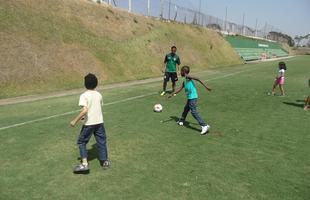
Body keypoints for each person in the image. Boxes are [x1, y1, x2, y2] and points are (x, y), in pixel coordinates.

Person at [70, 73, 109, 173]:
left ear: (85, 84)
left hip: (89, 124)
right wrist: (84, 117)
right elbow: (96, 107)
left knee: (81, 142)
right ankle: (105, 161)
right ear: (96, 84)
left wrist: (75, 120)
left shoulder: (84, 95)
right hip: (100, 122)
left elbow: (85, 110)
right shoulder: (99, 94)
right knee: (101, 141)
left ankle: (84, 164)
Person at [169, 66, 212, 135]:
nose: (180, 73)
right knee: (186, 109)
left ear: (184, 71)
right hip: (190, 97)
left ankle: (204, 125)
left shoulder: (188, 77)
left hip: (193, 97)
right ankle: (181, 121)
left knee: (193, 111)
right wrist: (173, 94)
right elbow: (180, 89)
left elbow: (197, 78)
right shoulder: (185, 80)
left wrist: (206, 86)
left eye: (181, 71)